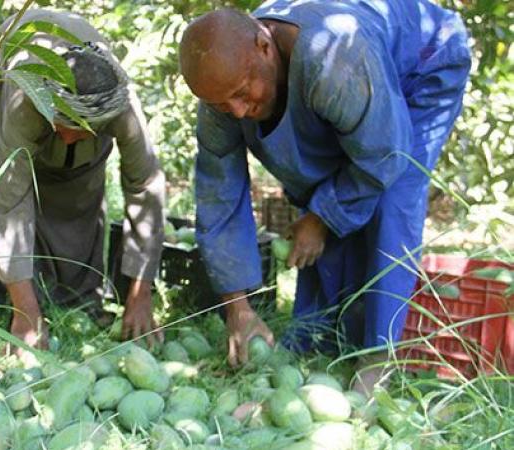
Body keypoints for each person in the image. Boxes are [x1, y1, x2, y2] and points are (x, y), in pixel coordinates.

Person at [179, 1, 470, 392]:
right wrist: (238, 309)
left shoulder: (333, 54)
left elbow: (383, 157)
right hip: (357, 83)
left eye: (242, 93)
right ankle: (321, 336)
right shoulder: (222, 89)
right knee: (319, 188)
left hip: (421, 65)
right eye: (221, 104)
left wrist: (320, 219)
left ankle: (376, 359)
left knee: (393, 198)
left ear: (265, 48)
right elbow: (218, 194)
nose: (237, 111)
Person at [0, 9, 166, 352]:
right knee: (17, 186)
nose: (67, 140)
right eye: (64, 129)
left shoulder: (122, 110)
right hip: (9, 66)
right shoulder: (25, 102)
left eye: (79, 132)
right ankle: (25, 299)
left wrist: (141, 294)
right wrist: (26, 313)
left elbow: (145, 186)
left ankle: (79, 300)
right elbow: (8, 202)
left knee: (81, 195)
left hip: (86, 112)